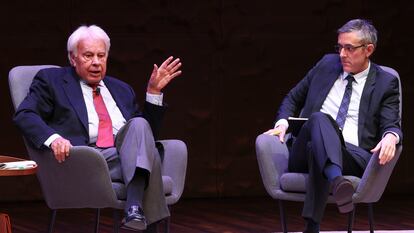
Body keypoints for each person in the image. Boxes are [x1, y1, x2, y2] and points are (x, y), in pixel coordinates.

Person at [13, 25, 182, 232]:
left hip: (125, 155)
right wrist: (53, 138)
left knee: (139, 125)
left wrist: (153, 92)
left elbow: (144, 136)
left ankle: (135, 208)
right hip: (88, 158)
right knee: (150, 160)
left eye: (101, 56)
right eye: (88, 55)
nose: (96, 62)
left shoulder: (121, 89)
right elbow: (25, 114)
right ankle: (138, 212)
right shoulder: (51, 81)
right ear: (73, 58)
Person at [264, 19, 402, 233]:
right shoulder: (326, 65)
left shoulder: (385, 82)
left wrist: (392, 136)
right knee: (319, 119)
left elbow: (391, 122)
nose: (342, 54)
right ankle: (337, 182)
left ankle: (312, 226)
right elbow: (293, 97)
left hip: (352, 155)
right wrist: (282, 123)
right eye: (340, 47)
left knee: (316, 150)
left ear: (369, 50)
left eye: (349, 48)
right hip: (304, 148)